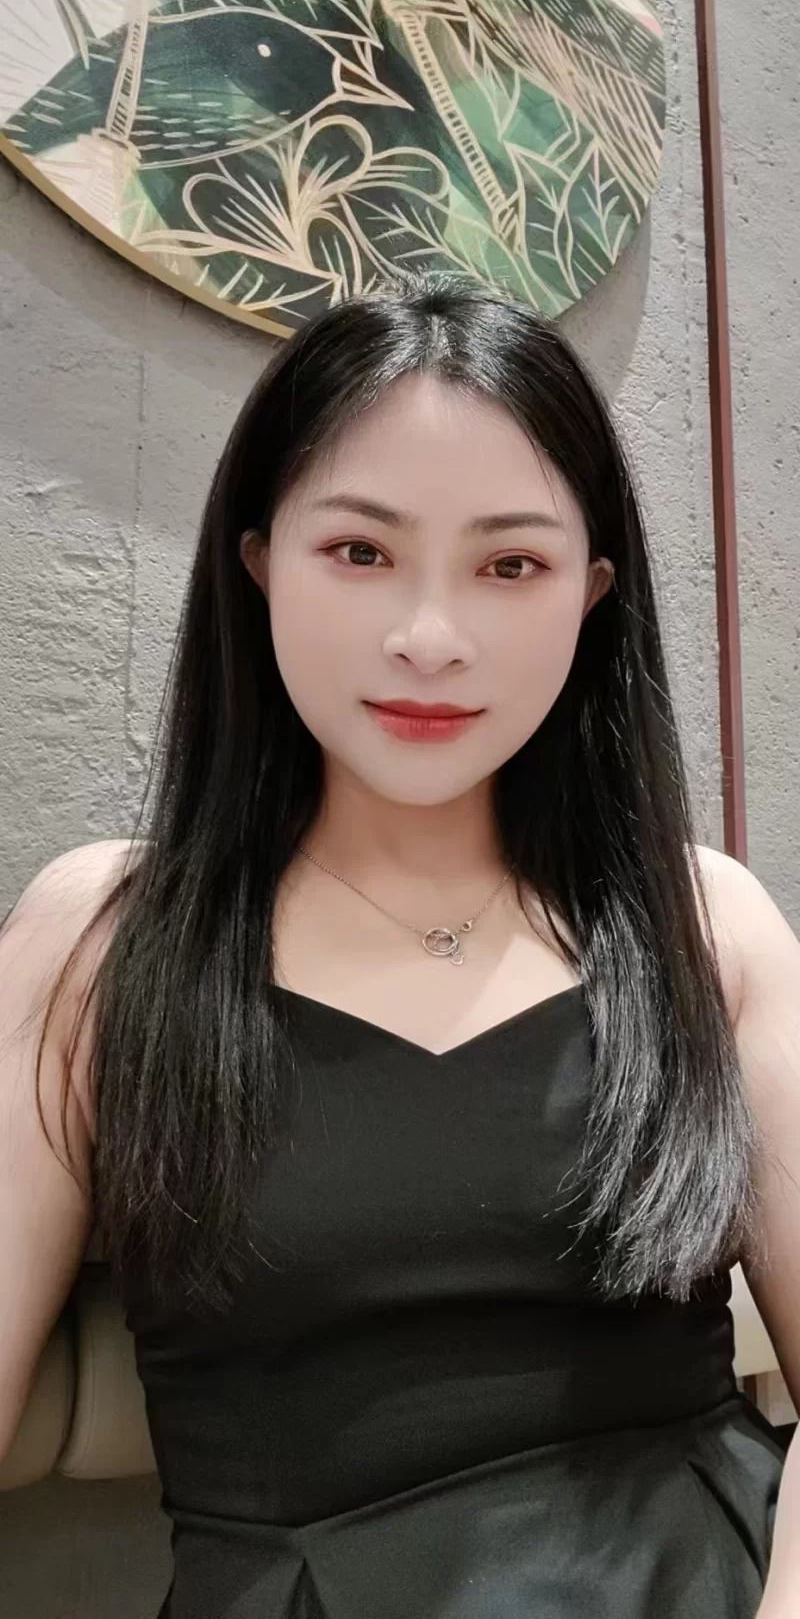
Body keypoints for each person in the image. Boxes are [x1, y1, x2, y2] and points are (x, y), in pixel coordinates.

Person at [1, 280, 799, 1619]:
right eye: (361, 551)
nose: (430, 638)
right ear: (261, 561)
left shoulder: (703, 923)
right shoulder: (101, 942)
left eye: (511, 566)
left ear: (591, 594)